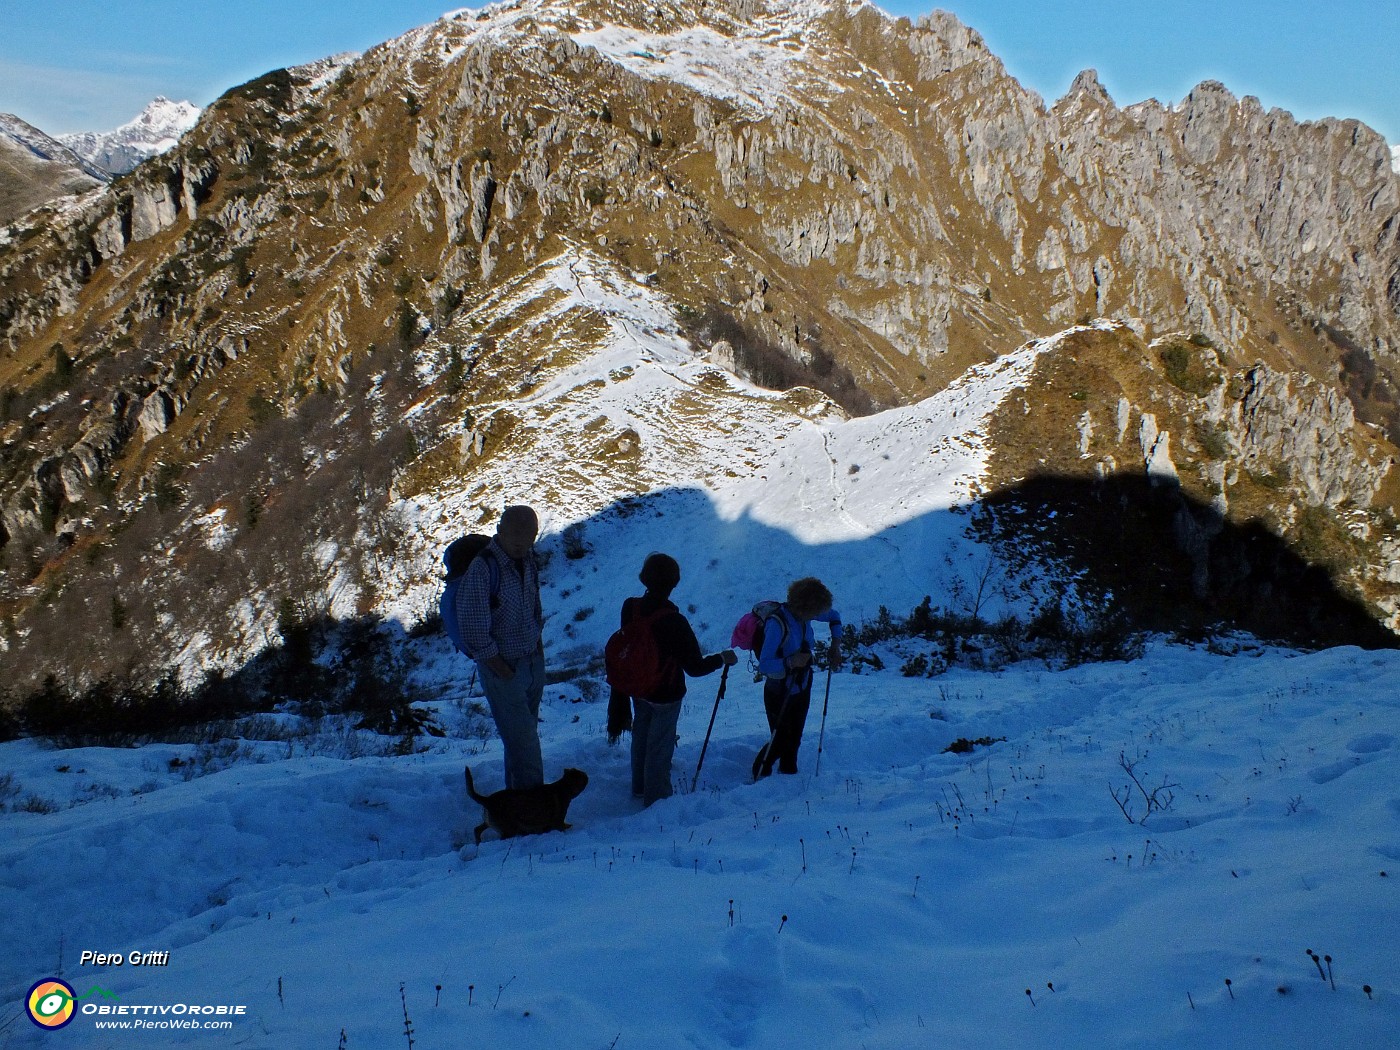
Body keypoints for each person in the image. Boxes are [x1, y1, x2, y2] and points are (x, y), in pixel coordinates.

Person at [607, 553, 736, 806]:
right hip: (665, 693)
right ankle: (657, 801)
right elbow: (695, 668)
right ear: (674, 583)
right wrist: (722, 658)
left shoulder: (630, 607)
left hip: (638, 687)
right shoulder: (674, 621)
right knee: (660, 745)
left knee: (641, 736)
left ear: (644, 578)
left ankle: (639, 787)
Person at [456, 505, 546, 789]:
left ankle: (517, 805)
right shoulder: (483, 568)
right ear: (500, 531)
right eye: (515, 536)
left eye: (528, 536)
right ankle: (535, 812)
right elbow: (472, 628)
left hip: (531, 661)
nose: (521, 542)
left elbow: (533, 607)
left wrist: (538, 650)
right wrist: (502, 670)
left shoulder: (528, 559)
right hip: (503, 668)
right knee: (526, 745)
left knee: (521, 740)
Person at [754, 577, 843, 777]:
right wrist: (791, 662)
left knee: (795, 737)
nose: (818, 614)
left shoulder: (804, 616)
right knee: (781, 739)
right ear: (805, 607)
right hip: (779, 690)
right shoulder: (777, 624)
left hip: (802, 684)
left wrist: (835, 647)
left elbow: (834, 616)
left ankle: (788, 776)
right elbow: (765, 664)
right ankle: (759, 775)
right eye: (815, 611)